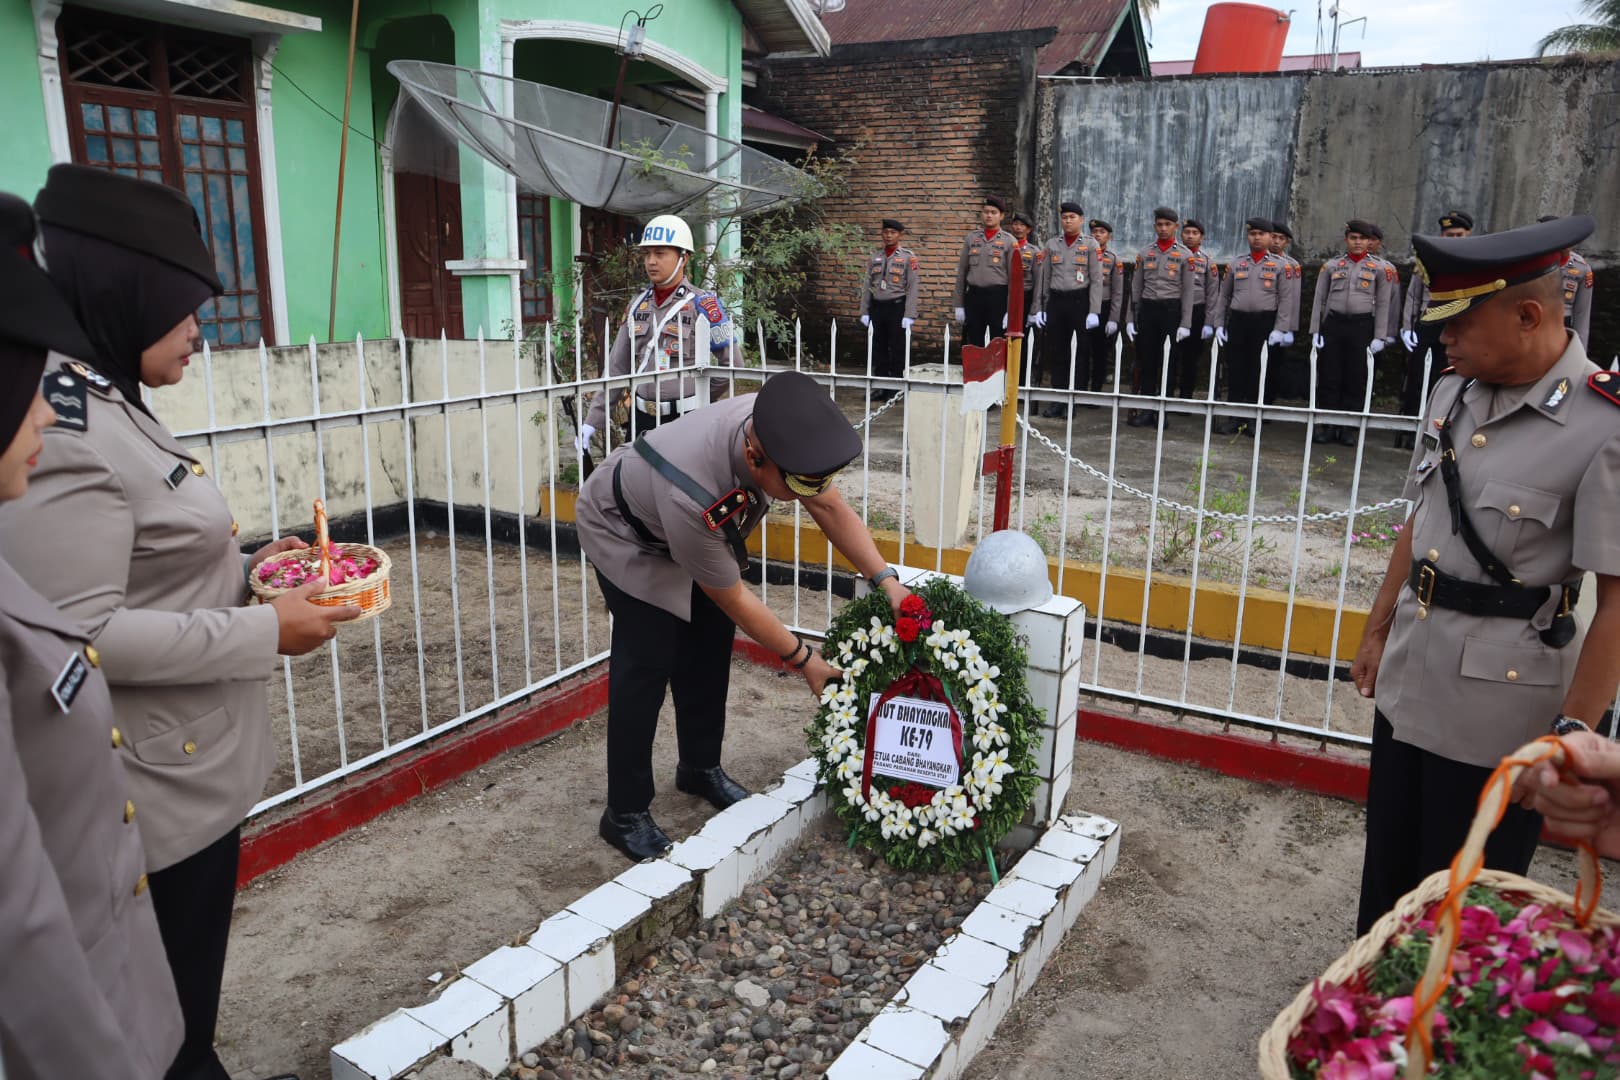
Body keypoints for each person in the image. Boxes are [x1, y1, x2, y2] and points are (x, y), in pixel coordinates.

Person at [0, 165, 357, 1080]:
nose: (199, 329)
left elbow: (147, 562)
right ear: (126, 294)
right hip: (150, 796)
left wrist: (251, 570)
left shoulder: (105, 390)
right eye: (182, 307)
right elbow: (78, 634)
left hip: (189, 776)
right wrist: (264, 632)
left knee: (187, 1007)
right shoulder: (60, 423)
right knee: (165, 1026)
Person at [1349, 213, 1620, 936]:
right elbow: (1422, 519)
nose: (1443, 338)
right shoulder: (1454, 392)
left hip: (1501, 713)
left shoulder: (1605, 426)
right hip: (1412, 676)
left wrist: (1570, 738)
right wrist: (1377, 629)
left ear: (1528, 316)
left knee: (1464, 904)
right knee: (1387, 876)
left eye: (1459, 323)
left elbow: (1616, 605)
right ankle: (1369, 992)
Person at [576, 370, 911, 860]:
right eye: (797, 484)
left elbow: (829, 506)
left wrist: (887, 581)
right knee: (648, 657)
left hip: (683, 527)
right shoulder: (693, 494)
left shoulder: (776, 426)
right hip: (625, 532)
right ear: (755, 458)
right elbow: (733, 595)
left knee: (711, 640)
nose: (809, 492)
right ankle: (624, 813)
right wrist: (805, 660)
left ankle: (699, 768)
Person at [0, 192, 184, 1080]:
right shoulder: (78, 427)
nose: (41, 411)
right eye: (19, 383)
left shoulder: (113, 399)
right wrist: (263, 625)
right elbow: (20, 929)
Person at [577, 214, 737, 450]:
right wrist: (593, 421)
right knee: (634, 474)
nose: (651, 261)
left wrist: (698, 397)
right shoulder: (637, 305)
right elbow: (617, 368)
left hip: (685, 419)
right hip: (641, 419)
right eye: (647, 254)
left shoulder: (703, 305)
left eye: (660, 254)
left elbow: (731, 365)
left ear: (683, 258)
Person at [1309, 220, 1392, 446]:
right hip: (1334, 324)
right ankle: (1328, 425)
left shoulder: (1379, 268)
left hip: (1362, 326)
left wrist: (1380, 336)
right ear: (1346, 239)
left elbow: (1384, 303)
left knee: (1355, 377)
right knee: (1330, 375)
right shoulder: (1332, 265)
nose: (1358, 242)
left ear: (1369, 241)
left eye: (1362, 238)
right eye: (1353, 238)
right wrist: (1316, 330)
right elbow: (1319, 299)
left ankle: (1348, 428)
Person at [1397, 211, 1473, 448]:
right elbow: (1413, 295)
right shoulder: (1428, 258)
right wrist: (1407, 327)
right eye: (1450, 235)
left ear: (1468, 234)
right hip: (1428, 321)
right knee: (1418, 375)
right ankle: (1410, 428)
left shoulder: (1475, 260)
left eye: (1459, 235)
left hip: (1458, 322)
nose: (1454, 239)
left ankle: (1440, 428)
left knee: (1449, 377)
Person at [1210, 218, 1292, 435]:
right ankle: (1234, 417)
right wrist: (1219, 324)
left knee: (1259, 370)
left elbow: (1286, 299)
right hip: (1238, 321)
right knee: (1237, 369)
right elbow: (1224, 296)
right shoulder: (1236, 263)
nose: (1256, 238)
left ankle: (1253, 419)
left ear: (1270, 237)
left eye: (1261, 234)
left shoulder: (1281, 266)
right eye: (1253, 234)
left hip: (1264, 322)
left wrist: (1281, 328)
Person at [1031, 201, 1102, 417]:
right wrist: (1040, 307)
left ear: (1081, 220)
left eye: (1072, 217)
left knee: (1079, 351)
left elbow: (1096, 280)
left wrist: (1094, 310)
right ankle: (1058, 399)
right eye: (1064, 217)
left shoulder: (1091, 245)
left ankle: (1074, 400)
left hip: (1079, 301)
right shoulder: (1052, 244)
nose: (1068, 221)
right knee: (1058, 351)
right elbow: (1044, 278)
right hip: (1056, 301)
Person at [1125, 207, 1195, 427]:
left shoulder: (1185, 255)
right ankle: (1147, 410)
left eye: (1167, 225)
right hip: (1148, 310)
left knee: (1169, 361)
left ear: (1176, 227)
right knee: (1147, 361)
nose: (1163, 228)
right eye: (1159, 224)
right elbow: (1136, 289)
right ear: (1155, 226)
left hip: (1171, 311)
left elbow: (1189, 292)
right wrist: (1130, 319)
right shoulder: (1145, 253)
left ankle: (1163, 411)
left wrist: (1186, 322)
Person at [857, 218, 919, 399]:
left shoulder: (908, 257)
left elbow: (913, 286)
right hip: (877, 308)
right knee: (878, 348)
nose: (888, 236)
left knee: (898, 348)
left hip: (897, 307)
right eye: (885, 232)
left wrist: (909, 314)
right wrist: (864, 311)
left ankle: (896, 387)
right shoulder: (875, 257)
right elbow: (867, 285)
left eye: (893, 232)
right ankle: (880, 386)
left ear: (900, 235)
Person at [952, 195, 1015, 350]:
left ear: (1001, 216)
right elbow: (962, 273)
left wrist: (1010, 310)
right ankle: (975, 367)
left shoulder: (1009, 241)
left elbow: (1014, 280)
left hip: (997, 298)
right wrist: (959, 304)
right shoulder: (972, 238)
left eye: (993, 212)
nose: (989, 216)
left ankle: (994, 368)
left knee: (996, 340)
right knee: (974, 339)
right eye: (986, 212)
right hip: (974, 297)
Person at [1169, 218, 1220, 400]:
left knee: (1190, 358)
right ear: (1181, 235)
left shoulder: (1207, 262)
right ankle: (1166, 395)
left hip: (1197, 312)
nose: (1190, 236)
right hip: (1174, 310)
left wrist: (1209, 322)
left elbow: (1212, 294)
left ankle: (1185, 397)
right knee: (1169, 354)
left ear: (1202, 237)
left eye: (1195, 233)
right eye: (1187, 232)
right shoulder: (1172, 256)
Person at [1541, 216, 1597, 351]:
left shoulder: (1580, 268)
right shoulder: (1527, 261)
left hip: (1561, 330)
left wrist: (1580, 353)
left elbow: (1582, 315)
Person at [1087, 219, 1124, 397]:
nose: (1098, 235)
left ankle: (1095, 391)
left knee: (1100, 352)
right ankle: (1078, 389)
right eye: (1095, 232)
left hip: (1104, 307)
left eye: (1102, 232)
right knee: (1081, 349)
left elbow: (1117, 292)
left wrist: (1113, 319)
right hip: (1084, 306)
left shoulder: (1113, 259)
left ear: (1109, 236)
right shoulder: (1083, 253)